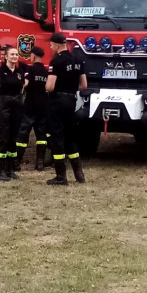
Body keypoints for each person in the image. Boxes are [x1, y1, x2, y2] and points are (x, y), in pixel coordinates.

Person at [45, 33, 87, 186]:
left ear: (57, 45)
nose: (50, 47)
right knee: (70, 136)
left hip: (57, 102)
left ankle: (61, 176)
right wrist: (69, 87)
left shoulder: (56, 62)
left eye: (51, 44)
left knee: (57, 137)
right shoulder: (78, 60)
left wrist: (47, 87)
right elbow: (83, 85)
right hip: (71, 100)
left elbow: (50, 86)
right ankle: (79, 174)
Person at [0, 46, 26, 181]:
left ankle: (10, 169)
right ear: (6, 57)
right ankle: (0, 170)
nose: (15, 56)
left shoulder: (20, 72)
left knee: (12, 137)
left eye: (16, 54)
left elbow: (21, 89)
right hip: (2, 104)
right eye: (12, 54)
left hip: (16, 104)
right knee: (2, 137)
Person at [17, 46, 51, 171]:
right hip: (43, 106)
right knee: (41, 135)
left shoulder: (30, 70)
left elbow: (25, 83)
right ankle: (40, 163)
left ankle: (17, 161)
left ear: (34, 56)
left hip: (30, 106)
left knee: (23, 134)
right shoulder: (47, 72)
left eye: (30, 55)